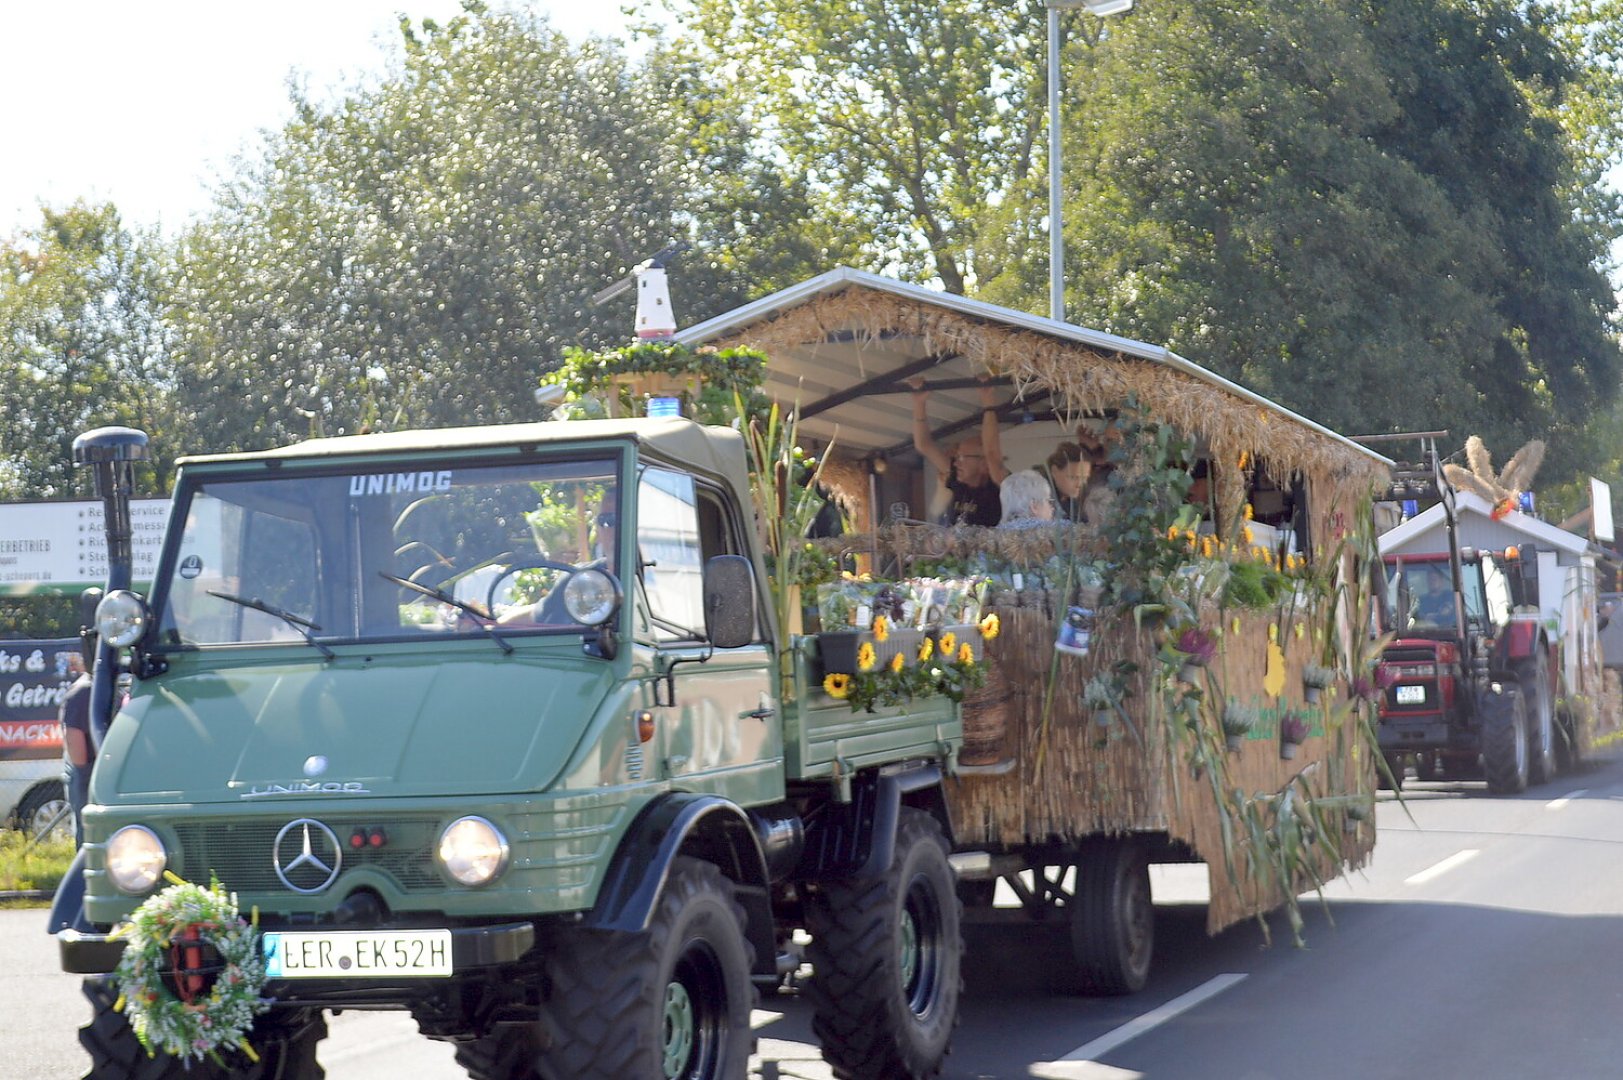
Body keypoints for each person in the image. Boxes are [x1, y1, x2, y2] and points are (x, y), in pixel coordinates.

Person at [909, 380, 1003, 527]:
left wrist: (988, 402)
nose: (957, 462)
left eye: (963, 457)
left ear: (983, 463)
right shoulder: (957, 478)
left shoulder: (998, 484)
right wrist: (919, 403)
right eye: (958, 456)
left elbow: (991, 452)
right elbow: (923, 445)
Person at [60, 589, 100, 847]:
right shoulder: (82, 694)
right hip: (88, 780)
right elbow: (78, 756)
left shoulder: (97, 688)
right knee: (89, 842)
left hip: (96, 774)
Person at [1041, 441, 1089, 523]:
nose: (1079, 484)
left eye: (1084, 478)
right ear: (1055, 471)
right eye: (1073, 477)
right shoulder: (1042, 504)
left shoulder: (1073, 502)